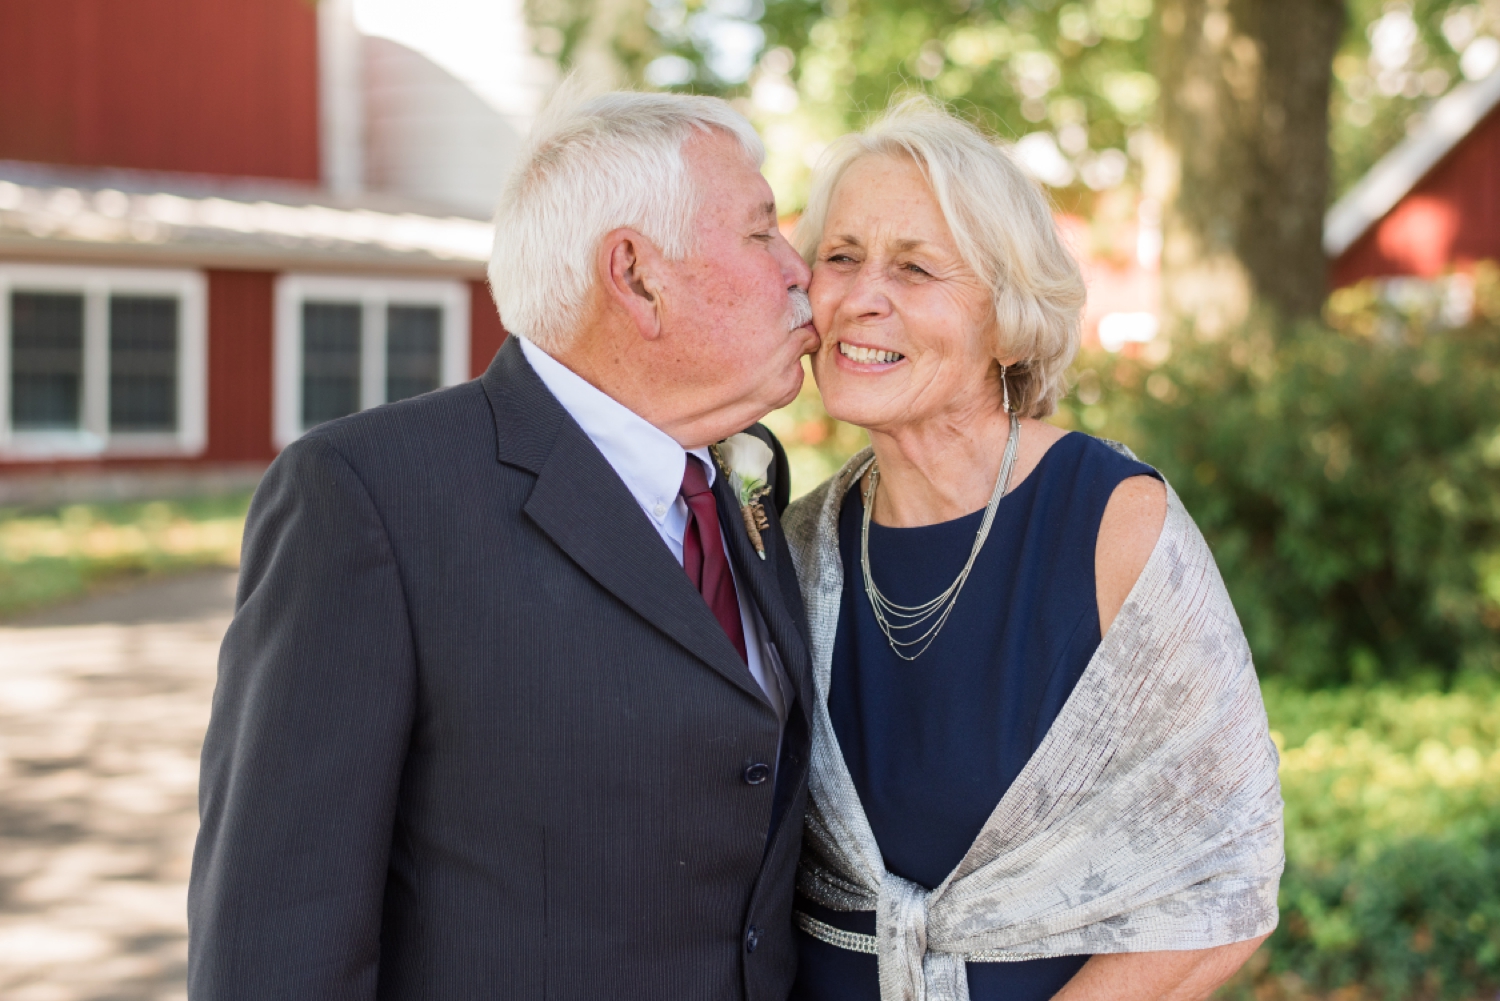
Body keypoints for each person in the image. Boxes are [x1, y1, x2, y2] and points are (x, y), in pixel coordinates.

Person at [188, 89, 820, 1001]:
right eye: (763, 232)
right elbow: (275, 943)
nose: (797, 267)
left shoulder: (738, 493)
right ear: (637, 275)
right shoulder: (368, 496)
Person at [781, 98, 1285, 1001]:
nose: (862, 295)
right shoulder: (798, 540)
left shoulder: (1113, 523)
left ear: (1008, 320)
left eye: (917, 267)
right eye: (841, 257)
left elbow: (1226, 877)